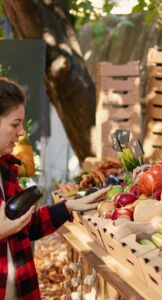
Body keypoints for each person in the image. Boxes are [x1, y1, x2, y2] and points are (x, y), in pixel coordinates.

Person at [0, 77, 111, 300]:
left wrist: (68, 206)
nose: (21, 133)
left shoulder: (6, 169)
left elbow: (26, 228)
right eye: (15, 124)